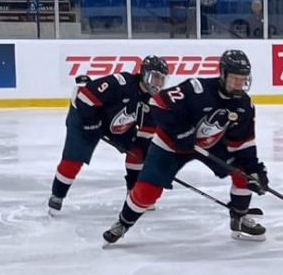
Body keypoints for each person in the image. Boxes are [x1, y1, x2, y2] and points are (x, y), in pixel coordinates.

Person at [102, 50, 270, 244]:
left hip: (210, 145)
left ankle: (240, 218)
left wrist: (253, 169)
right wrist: (181, 133)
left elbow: (243, 142)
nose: (239, 84)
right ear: (222, 74)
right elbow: (158, 102)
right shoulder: (197, 89)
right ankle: (123, 222)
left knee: (244, 173)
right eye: (234, 79)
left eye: (242, 80)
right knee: (147, 191)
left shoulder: (244, 104)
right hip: (170, 145)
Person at [48, 56, 168, 215]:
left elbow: (146, 135)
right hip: (83, 114)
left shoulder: (153, 102)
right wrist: (91, 124)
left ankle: (134, 194)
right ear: (144, 74)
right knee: (75, 158)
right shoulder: (121, 83)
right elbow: (85, 98)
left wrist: (146, 155)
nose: (157, 83)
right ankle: (57, 195)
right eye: (155, 77)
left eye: (162, 79)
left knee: (137, 151)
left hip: (113, 121)